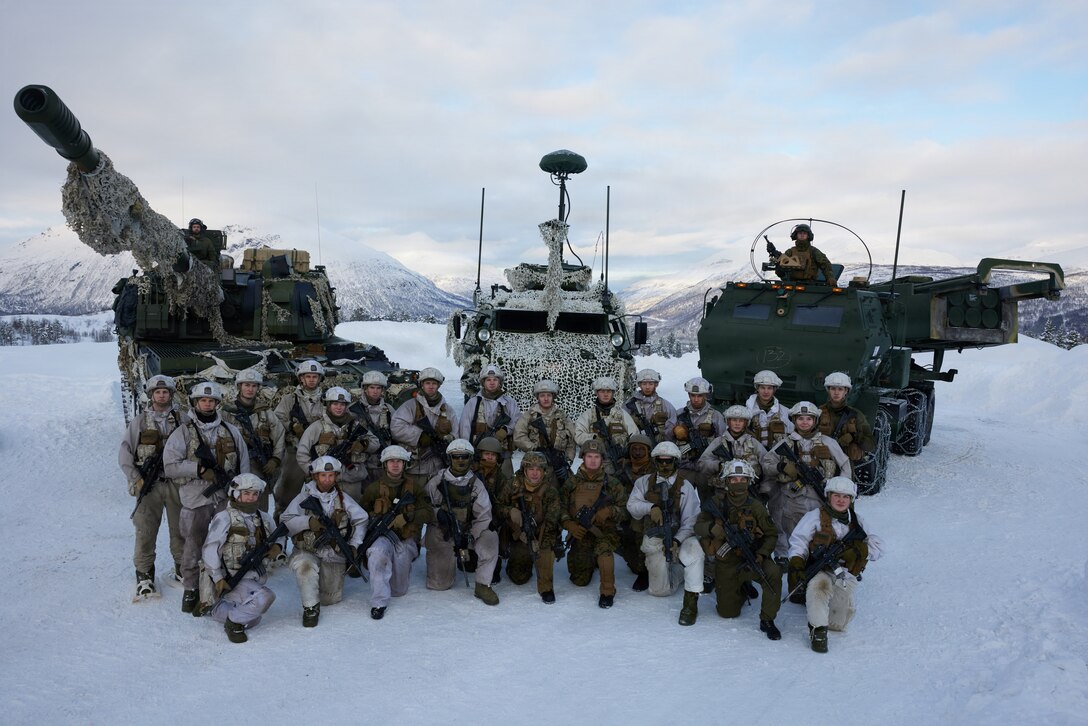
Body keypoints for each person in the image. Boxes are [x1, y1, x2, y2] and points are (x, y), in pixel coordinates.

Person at [162, 381, 249, 615]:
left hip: (224, 499)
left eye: (211, 401)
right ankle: (191, 588)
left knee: (225, 543)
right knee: (193, 544)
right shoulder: (183, 432)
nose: (207, 404)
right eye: (203, 400)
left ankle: (220, 583)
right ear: (195, 402)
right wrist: (198, 470)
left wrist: (239, 493)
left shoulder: (230, 431)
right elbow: (170, 467)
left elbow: (243, 465)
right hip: (195, 498)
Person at [788, 476, 884, 652]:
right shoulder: (814, 517)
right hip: (821, 568)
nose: (841, 500)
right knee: (818, 588)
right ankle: (818, 631)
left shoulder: (858, 521)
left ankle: (825, 614)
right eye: (837, 495)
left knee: (837, 624)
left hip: (845, 572)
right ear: (828, 496)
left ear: (851, 499)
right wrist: (797, 561)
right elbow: (798, 541)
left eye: (845, 497)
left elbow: (878, 548)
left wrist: (856, 550)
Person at [695, 460, 783, 640]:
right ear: (726, 482)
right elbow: (698, 527)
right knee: (727, 613)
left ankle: (767, 619)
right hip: (727, 560)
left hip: (753, 556)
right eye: (733, 479)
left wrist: (762, 554)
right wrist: (711, 527)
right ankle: (742, 589)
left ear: (749, 481)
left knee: (773, 572)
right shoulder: (716, 503)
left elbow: (772, 534)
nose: (738, 483)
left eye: (742, 479)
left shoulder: (756, 506)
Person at [282, 456, 369, 627]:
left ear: (336, 476)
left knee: (330, 599)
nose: (327, 480)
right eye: (323, 476)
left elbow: (362, 519)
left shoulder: (342, 498)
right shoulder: (304, 497)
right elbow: (286, 520)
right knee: (305, 568)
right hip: (306, 550)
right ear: (315, 477)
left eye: (331, 476)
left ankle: (320, 583)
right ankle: (310, 609)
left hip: (332, 554)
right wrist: (307, 523)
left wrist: (354, 545)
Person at [119, 374, 184, 599]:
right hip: (150, 485)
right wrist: (135, 478)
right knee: (146, 531)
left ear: (171, 394)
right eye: (157, 392)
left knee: (181, 529)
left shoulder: (182, 419)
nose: (162, 395)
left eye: (165, 391)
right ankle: (144, 575)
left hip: (176, 484)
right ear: (151, 395)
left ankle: (182, 568)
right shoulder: (139, 422)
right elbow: (125, 451)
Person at [201, 473, 286, 643]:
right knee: (265, 597)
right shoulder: (225, 517)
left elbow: (280, 534)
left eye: (255, 494)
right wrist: (218, 578)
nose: (251, 498)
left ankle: (224, 610)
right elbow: (210, 550)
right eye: (246, 493)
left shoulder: (263, 517)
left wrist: (278, 546)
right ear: (236, 494)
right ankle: (231, 621)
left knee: (254, 619)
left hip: (254, 577)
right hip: (231, 577)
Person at [625, 442, 704, 626]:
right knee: (659, 591)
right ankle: (676, 571)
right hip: (656, 538)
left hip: (681, 536)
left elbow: (691, 520)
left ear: (676, 462)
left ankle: (691, 595)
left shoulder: (685, 486)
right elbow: (632, 506)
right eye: (661, 461)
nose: (665, 465)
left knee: (693, 551)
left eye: (669, 461)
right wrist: (650, 507)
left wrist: (677, 539)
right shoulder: (644, 482)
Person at [762, 401, 851, 561]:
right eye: (800, 419)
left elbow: (845, 465)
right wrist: (781, 466)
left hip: (818, 499)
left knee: (817, 531)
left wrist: (841, 490)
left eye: (809, 419)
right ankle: (783, 558)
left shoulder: (828, 442)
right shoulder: (785, 443)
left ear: (815, 421)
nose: (804, 422)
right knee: (785, 528)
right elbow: (766, 463)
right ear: (794, 420)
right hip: (790, 499)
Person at [358, 446, 432, 620]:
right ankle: (379, 602)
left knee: (399, 590)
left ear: (405, 464)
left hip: (405, 539)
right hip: (381, 537)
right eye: (391, 461)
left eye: (399, 461)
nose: (395, 465)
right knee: (376, 554)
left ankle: (395, 569)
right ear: (385, 465)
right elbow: (360, 515)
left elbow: (429, 513)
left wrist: (407, 516)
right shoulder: (374, 488)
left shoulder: (415, 488)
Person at [424, 439, 501, 605]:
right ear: (450, 458)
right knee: (439, 585)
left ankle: (482, 584)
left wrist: (469, 536)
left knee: (490, 538)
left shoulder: (476, 484)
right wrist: (438, 514)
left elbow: (484, 516)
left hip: (468, 530)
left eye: (464, 457)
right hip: (443, 530)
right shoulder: (437, 482)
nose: (460, 460)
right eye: (456, 457)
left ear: (470, 459)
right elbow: (425, 507)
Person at [559, 439, 629, 608]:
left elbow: (626, 511)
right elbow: (559, 507)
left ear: (602, 459)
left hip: (604, 532)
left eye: (596, 456)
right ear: (583, 457)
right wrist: (569, 525)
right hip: (580, 532)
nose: (592, 460)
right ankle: (590, 561)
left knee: (604, 553)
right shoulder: (572, 482)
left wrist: (610, 512)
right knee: (579, 580)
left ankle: (607, 591)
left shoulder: (612, 483)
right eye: (589, 456)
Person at [495, 452, 562, 603]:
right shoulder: (513, 485)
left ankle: (546, 588)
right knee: (519, 578)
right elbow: (498, 506)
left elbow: (553, 520)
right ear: (524, 470)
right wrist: (510, 511)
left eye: (539, 469)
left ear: (544, 471)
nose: (535, 473)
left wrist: (538, 538)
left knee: (544, 552)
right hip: (517, 533)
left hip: (541, 533)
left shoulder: (550, 491)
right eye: (531, 469)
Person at [296, 386, 377, 504]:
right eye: (335, 404)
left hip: (352, 481)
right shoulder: (317, 426)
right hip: (326, 483)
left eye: (342, 404)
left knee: (354, 514)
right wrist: (313, 473)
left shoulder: (355, 424)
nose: (339, 407)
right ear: (328, 405)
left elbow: (375, 443)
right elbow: (302, 453)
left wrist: (364, 444)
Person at [221, 367, 285, 514]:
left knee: (260, 510)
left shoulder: (265, 412)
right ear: (239, 387)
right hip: (233, 467)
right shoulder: (227, 411)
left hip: (259, 469)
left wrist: (275, 459)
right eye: (246, 385)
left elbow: (279, 435)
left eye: (254, 385)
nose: (250, 389)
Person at [273, 360, 327, 521]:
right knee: (286, 496)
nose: (311, 380)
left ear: (319, 379)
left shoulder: (327, 399)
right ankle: (278, 535)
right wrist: (291, 426)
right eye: (307, 376)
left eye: (314, 376)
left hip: (320, 454)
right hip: (294, 452)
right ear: (301, 379)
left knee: (323, 496)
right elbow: (277, 419)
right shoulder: (290, 399)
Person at [390, 366, 456, 488]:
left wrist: (448, 440)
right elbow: (396, 427)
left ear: (438, 385)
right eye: (427, 383)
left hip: (438, 468)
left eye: (434, 383)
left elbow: (456, 435)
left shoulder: (448, 410)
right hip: (414, 469)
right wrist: (419, 436)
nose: (431, 386)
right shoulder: (410, 406)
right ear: (422, 385)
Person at [457, 363, 521, 479]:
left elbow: (517, 421)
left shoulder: (509, 402)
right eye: (488, 380)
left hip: (503, 454)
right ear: (483, 382)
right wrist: (468, 451)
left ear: (500, 382)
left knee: (505, 484)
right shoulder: (474, 402)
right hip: (479, 455)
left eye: (495, 379)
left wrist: (506, 430)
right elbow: (464, 428)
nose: (492, 382)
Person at [512, 379, 577, 486]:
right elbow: (518, 436)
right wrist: (534, 448)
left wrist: (568, 461)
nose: (546, 399)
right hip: (535, 464)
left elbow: (571, 439)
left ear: (553, 397)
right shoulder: (529, 415)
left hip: (558, 463)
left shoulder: (562, 416)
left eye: (549, 395)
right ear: (537, 397)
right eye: (542, 395)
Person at [697, 405, 768, 498]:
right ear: (728, 422)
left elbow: (767, 464)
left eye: (741, 420)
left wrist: (765, 488)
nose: (737, 423)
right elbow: (702, 463)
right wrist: (718, 466)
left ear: (746, 423)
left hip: (748, 493)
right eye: (734, 420)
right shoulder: (718, 442)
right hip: (722, 493)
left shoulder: (753, 443)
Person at [574, 376, 639, 477]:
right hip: (595, 464)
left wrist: (626, 452)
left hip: (620, 462)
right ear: (597, 393)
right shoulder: (589, 415)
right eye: (602, 391)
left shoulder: (621, 414)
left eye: (608, 391)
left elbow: (635, 436)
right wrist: (595, 437)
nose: (605, 394)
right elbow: (578, 436)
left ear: (613, 393)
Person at [818, 372, 876, 483]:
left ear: (846, 391)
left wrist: (855, 436)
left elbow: (871, 445)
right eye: (833, 389)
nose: (836, 392)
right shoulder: (818, 412)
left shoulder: (855, 415)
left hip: (845, 467)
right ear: (828, 390)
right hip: (821, 465)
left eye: (840, 389)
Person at [616, 433, 655, 591]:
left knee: (637, 566)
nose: (637, 452)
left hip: (645, 516)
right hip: (625, 513)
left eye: (642, 449)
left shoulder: (655, 470)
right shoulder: (622, 468)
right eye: (634, 448)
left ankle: (645, 570)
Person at [471, 436, 511, 584]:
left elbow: (502, 502)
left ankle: (494, 564)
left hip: (491, 517)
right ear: (480, 454)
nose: (489, 457)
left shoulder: (501, 478)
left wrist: (495, 519)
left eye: (493, 455)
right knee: (469, 565)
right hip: (471, 515)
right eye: (486, 453)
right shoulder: (471, 471)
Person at [673, 377, 726, 466]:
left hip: (707, 461)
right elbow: (668, 437)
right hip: (683, 462)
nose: (696, 399)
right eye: (693, 395)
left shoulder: (715, 416)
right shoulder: (679, 414)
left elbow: (723, 440)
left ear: (705, 395)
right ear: (689, 395)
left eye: (700, 395)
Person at [355, 370, 396, 482]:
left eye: (378, 388)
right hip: (361, 463)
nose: (375, 391)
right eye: (372, 388)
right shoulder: (355, 409)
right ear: (365, 389)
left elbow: (397, 432)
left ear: (382, 390)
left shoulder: (388, 409)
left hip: (382, 462)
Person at [623, 368, 677, 446]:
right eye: (644, 384)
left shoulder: (665, 405)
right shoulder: (629, 404)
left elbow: (671, 428)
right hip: (636, 446)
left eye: (650, 384)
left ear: (656, 384)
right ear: (639, 385)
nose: (647, 387)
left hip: (660, 446)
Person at [772, 223, 838, 287]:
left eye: (804, 233)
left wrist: (830, 278)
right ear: (796, 235)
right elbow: (782, 261)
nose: (802, 235)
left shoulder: (814, 251)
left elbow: (825, 265)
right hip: (791, 284)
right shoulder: (791, 251)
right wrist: (774, 253)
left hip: (810, 285)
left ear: (808, 235)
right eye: (800, 233)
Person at [746, 370, 794, 450]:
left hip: (776, 456)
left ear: (774, 390)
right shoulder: (746, 412)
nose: (766, 392)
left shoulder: (784, 411)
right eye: (762, 387)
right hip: (752, 454)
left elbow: (792, 436)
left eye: (769, 388)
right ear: (757, 388)